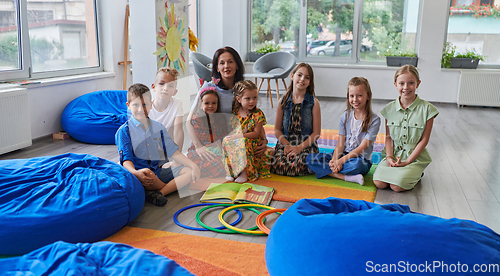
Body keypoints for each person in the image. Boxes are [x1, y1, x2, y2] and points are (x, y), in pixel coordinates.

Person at [116, 83, 200, 206]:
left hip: (157, 172)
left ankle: (159, 192)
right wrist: (136, 173)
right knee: (147, 173)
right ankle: (166, 188)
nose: (141, 109)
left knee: (188, 172)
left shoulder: (158, 127)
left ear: (151, 105)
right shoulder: (124, 131)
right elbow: (126, 160)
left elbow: (173, 151)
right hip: (139, 173)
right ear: (128, 106)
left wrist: (193, 166)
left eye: (145, 105)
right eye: (136, 105)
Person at [186, 46, 268, 164]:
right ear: (217, 68)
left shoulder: (243, 89)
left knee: (266, 159)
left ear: (237, 65)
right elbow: (189, 121)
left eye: (230, 62)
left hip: (239, 140)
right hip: (214, 140)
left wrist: (264, 140)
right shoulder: (208, 88)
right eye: (222, 63)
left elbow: (254, 115)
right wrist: (198, 146)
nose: (226, 66)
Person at [373, 65, 439, 192]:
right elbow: (388, 137)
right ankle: (400, 171)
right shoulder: (389, 109)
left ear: (418, 84)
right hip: (394, 154)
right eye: (401, 83)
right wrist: (389, 157)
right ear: (395, 84)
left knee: (397, 186)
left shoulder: (428, 110)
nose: (406, 87)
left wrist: (408, 161)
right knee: (379, 183)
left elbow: (424, 140)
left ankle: (417, 173)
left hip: (414, 158)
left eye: (411, 83)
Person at [305, 77, 380, 185]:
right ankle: (346, 177)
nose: (355, 99)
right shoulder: (344, 117)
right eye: (352, 96)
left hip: (360, 159)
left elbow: (362, 148)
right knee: (309, 158)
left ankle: (324, 170)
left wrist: (340, 162)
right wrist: (335, 161)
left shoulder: (375, 120)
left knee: (356, 166)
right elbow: (340, 143)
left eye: (359, 95)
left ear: (368, 96)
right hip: (342, 154)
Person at [271, 63, 321, 176]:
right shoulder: (282, 101)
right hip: (286, 143)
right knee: (278, 165)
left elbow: (316, 133)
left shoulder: (314, 103)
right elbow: (277, 130)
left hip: (306, 145)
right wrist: (287, 145)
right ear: (292, 76)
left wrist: (299, 148)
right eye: (299, 75)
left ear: (310, 82)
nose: (302, 79)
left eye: (307, 77)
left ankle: (310, 165)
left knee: (297, 165)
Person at [223, 80, 271, 183]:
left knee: (244, 143)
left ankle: (246, 173)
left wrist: (240, 136)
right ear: (239, 99)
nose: (252, 101)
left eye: (254, 98)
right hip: (239, 138)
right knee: (226, 142)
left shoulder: (257, 113)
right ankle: (232, 172)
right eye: (247, 98)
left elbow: (256, 133)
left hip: (252, 141)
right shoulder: (235, 112)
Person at [186, 84, 229, 178]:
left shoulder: (220, 119)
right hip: (199, 150)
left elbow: (223, 137)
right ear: (200, 105)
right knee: (200, 160)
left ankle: (200, 169)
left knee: (226, 159)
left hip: (215, 150)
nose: (210, 106)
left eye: (214, 103)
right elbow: (198, 142)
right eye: (207, 103)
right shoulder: (197, 119)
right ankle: (197, 168)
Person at [149, 67, 184, 151]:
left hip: (167, 152)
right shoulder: (146, 107)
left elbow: (178, 131)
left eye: (171, 86)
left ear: (175, 92)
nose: (165, 88)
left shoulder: (177, 104)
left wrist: (177, 157)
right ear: (153, 87)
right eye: (161, 84)